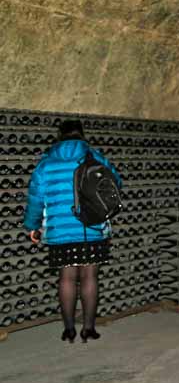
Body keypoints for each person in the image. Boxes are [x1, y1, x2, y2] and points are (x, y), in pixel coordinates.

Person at [24, 119, 121, 343]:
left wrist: (32, 226)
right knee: (90, 276)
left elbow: (36, 198)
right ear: (81, 134)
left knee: (66, 278)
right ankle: (88, 328)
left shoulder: (46, 163)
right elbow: (115, 182)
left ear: (59, 135)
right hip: (92, 227)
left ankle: (68, 329)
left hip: (59, 231)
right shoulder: (94, 156)